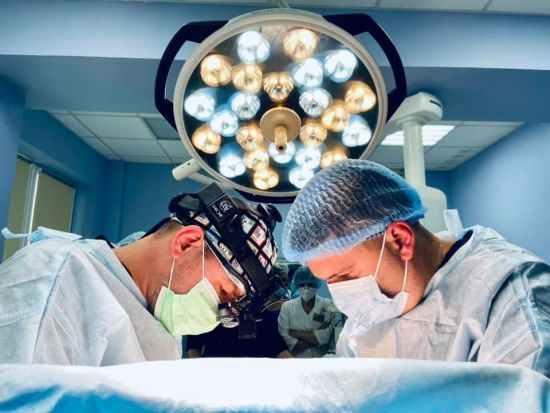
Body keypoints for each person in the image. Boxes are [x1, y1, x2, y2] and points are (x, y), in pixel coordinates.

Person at [282, 159, 550, 376]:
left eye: (345, 276)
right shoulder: (371, 312)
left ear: (400, 240)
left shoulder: (511, 293)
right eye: (329, 281)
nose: (342, 294)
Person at [0, 183, 281, 366]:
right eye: (223, 291)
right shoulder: (54, 279)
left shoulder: (155, 316)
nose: (219, 314)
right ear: (186, 244)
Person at [278, 266, 339, 358]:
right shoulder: (287, 307)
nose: (306, 288)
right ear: (297, 286)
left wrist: (294, 333)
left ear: (316, 285)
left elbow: (326, 337)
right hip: (296, 360)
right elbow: (285, 337)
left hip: (322, 359)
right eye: (302, 284)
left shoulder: (327, 305)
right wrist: (315, 338)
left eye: (310, 284)